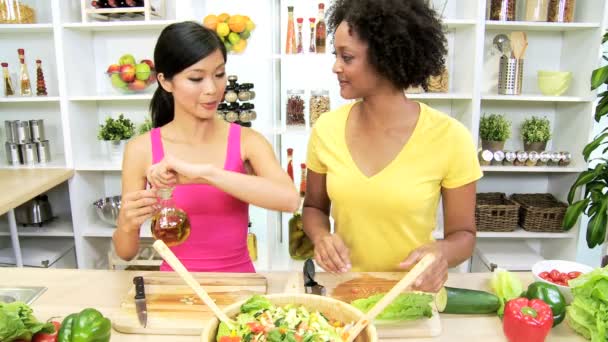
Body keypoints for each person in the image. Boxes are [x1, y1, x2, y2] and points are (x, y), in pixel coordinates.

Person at [303, 0, 483, 292]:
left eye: (347, 57)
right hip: (345, 292)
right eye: (336, 56)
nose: (336, 67)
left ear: (385, 58)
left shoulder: (450, 137)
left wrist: (441, 253)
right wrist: (322, 237)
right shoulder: (326, 130)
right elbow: (313, 207)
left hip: (411, 294)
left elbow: (463, 235)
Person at [113, 21, 299, 273]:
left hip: (238, 287)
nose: (212, 89)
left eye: (219, 74)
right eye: (196, 78)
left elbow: (289, 200)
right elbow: (125, 253)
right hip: (174, 291)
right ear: (165, 82)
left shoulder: (247, 141)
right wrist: (126, 223)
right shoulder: (140, 149)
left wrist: (204, 174)